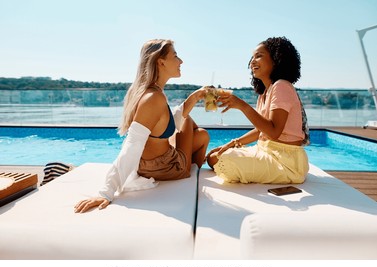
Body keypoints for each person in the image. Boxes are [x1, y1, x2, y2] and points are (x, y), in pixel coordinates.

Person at [75, 39, 209, 213]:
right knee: (201, 133)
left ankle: (194, 164)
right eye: (175, 56)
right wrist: (106, 192)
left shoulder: (147, 92)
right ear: (161, 62)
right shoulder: (153, 98)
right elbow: (132, 145)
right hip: (167, 167)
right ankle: (192, 176)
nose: (181, 61)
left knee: (199, 133)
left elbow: (167, 125)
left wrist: (195, 97)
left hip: (148, 164)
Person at [207, 36, 310, 184]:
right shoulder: (264, 93)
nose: (252, 62)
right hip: (265, 150)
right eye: (252, 58)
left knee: (223, 160)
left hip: (285, 161)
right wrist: (232, 143)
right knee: (214, 156)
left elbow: (274, 132)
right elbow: (261, 130)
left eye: (259, 56)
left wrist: (243, 106)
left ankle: (287, 174)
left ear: (276, 59)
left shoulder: (282, 86)